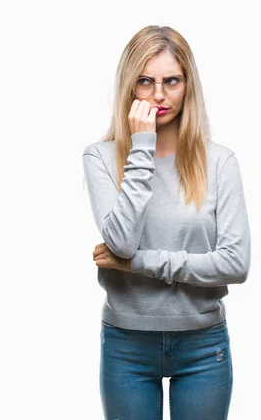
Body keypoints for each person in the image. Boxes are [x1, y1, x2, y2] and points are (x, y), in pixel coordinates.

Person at [82, 25, 251, 420]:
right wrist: (142, 145)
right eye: (145, 81)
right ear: (129, 86)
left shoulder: (219, 162)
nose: (158, 95)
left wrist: (139, 264)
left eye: (171, 81)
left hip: (202, 346)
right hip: (127, 346)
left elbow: (235, 264)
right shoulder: (101, 158)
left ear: (188, 85)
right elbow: (122, 242)